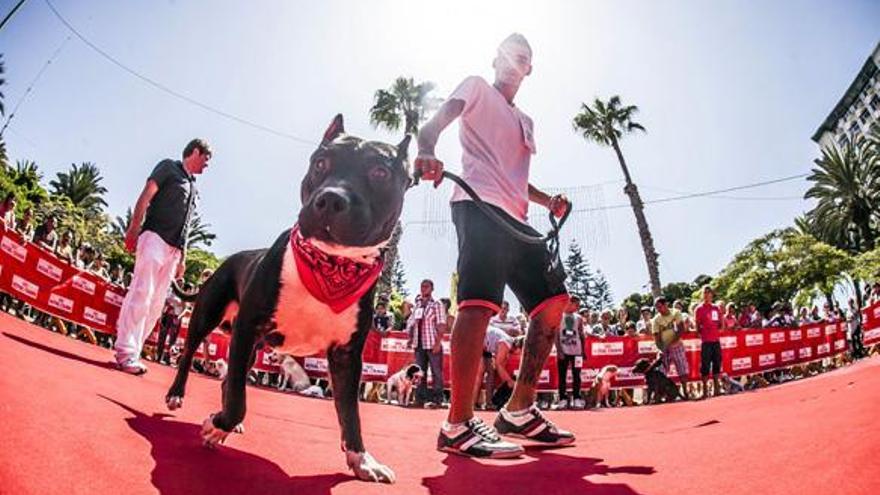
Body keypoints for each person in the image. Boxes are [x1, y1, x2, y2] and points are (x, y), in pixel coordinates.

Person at [416, 33, 574, 457]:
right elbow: (431, 126)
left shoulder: (526, 121)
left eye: (522, 57)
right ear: (495, 59)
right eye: (507, 54)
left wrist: (547, 201)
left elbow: (518, 179)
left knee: (554, 303)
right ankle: (458, 424)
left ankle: (519, 411)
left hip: (518, 220)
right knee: (478, 306)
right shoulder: (475, 87)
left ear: (529, 69)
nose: (513, 61)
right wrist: (427, 150)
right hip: (477, 204)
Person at [113, 138, 211, 374]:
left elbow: (187, 223)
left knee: (156, 304)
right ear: (195, 151)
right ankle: (125, 352)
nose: (207, 166)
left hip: (174, 251)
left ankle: (134, 351)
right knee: (142, 292)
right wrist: (134, 227)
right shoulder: (168, 167)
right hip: (154, 237)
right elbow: (147, 195)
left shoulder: (194, 186)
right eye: (206, 159)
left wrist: (183, 257)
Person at [406, 279, 447, 407]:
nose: (423, 288)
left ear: (432, 288)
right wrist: (410, 337)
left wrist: (437, 343)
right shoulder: (417, 303)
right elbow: (413, 322)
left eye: (426, 286)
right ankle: (419, 399)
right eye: (422, 286)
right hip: (418, 344)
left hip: (432, 343)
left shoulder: (437, 304)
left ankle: (437, 400)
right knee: (419, 373)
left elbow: (441, 325)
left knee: (436, 372)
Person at [651, 296, 691, 399]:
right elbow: (656, 337)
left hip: (677, 345)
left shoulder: (676, 313)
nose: (658, 309)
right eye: (656, 308)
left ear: (666, 305)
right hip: (664, 348)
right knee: (660, 372)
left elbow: (681, 328)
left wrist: (673, 341)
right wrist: (660, 349)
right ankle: (659, 395)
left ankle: (685, 391)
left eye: (660, 306)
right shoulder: (656, 319)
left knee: (682, 369)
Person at [554, 295, 586, 409]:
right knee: (562, 376)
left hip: (577, 351)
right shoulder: (558, 316)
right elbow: (556, 335)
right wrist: (559, 351)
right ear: (569, 302)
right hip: (563, 350)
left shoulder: (579, 318)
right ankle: (562, 399)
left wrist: (583, 351)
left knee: (577, 375)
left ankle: (577, 398)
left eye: (579, 305)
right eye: (576, 304)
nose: (577, 307)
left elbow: (582, 334)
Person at [694, 286, 723, 399]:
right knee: (705, 366)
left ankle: (717, 389)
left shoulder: (716, 308)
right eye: (704, 293)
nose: (706, 295)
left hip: (716, 341)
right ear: (702, 295)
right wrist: (700, 333)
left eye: (708, 293)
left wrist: (718, 330)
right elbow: (697, 325)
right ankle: (705, 391)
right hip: (706, 341)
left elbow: (721, 323)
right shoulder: (699, 309)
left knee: (717, 363)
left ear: (712, 294)